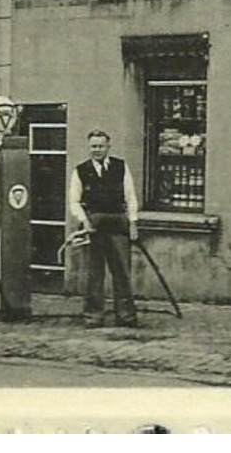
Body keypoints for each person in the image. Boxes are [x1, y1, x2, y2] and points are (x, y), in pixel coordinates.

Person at [68, 129, 140, 328]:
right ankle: (93, 316)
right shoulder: (80, 171)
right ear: (88, 147)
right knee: (94, 273)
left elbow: (131, 197)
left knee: (122, 273)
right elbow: (74, 201)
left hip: (117, 225)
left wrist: (133, 223)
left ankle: (126, 316)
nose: (97, 150)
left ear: (108, 147)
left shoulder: (120, 167)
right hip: (94, 227)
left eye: (100, 146)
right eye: (93, 146)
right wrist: (85, 221)